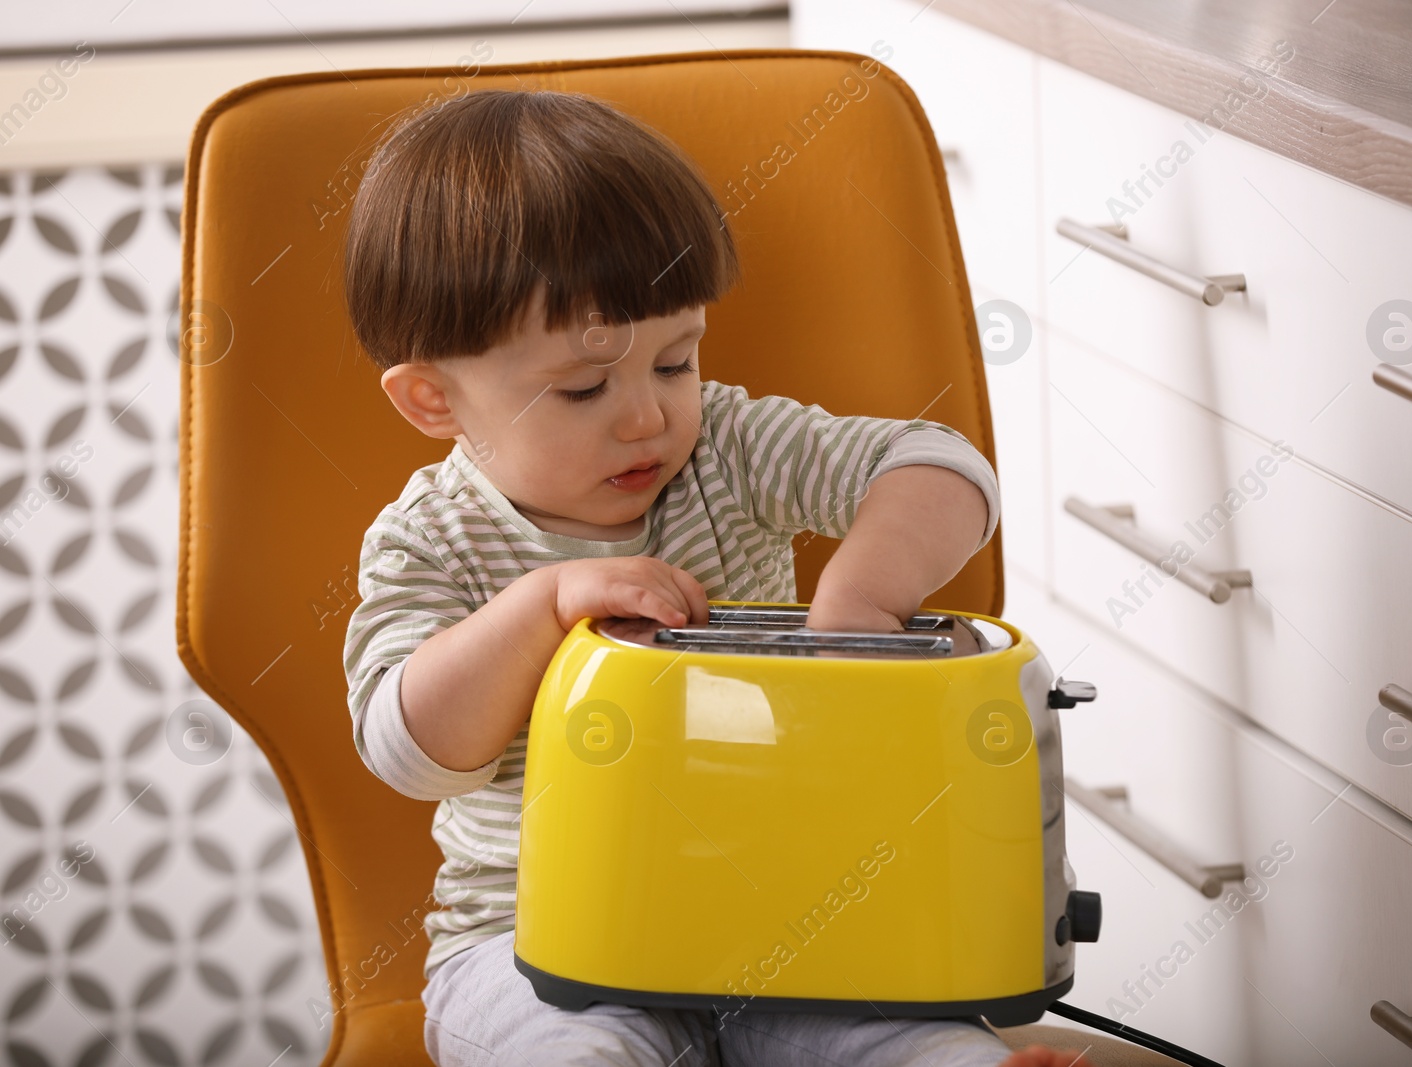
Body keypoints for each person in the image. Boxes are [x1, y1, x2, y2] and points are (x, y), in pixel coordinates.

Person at [341, 87, 1096, 1067]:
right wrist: (541, 608)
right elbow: (408, 750)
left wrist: (859, 600)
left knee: (908, 1040)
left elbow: (941, 467)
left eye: (676, 360)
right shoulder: (428, 541)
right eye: (582, 387)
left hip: (793, 931)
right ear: (433, 397)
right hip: (532, 951)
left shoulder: (729, 448)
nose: (647, 416)